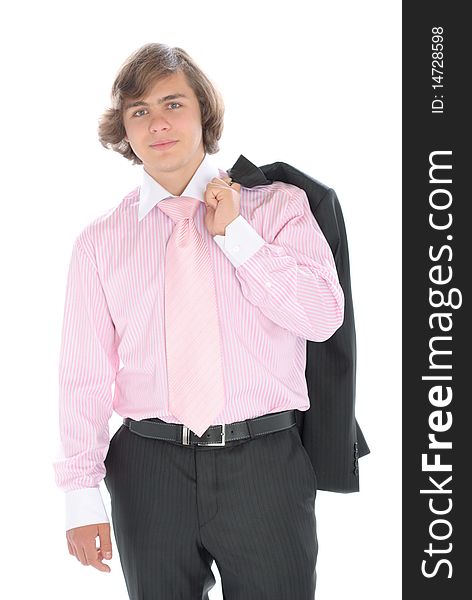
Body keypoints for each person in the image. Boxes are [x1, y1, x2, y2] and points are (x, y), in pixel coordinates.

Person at [52, 42, 345, 599]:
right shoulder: (100, 243)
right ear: (125, 130)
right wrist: (80, 496)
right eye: (139, 111)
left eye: (172, 104)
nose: (157, 123)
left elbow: (322, 316)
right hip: (148, 470)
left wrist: (238, 237)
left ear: (203, 114)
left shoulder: (279, 207)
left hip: (265, 465)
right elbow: (83, 378)